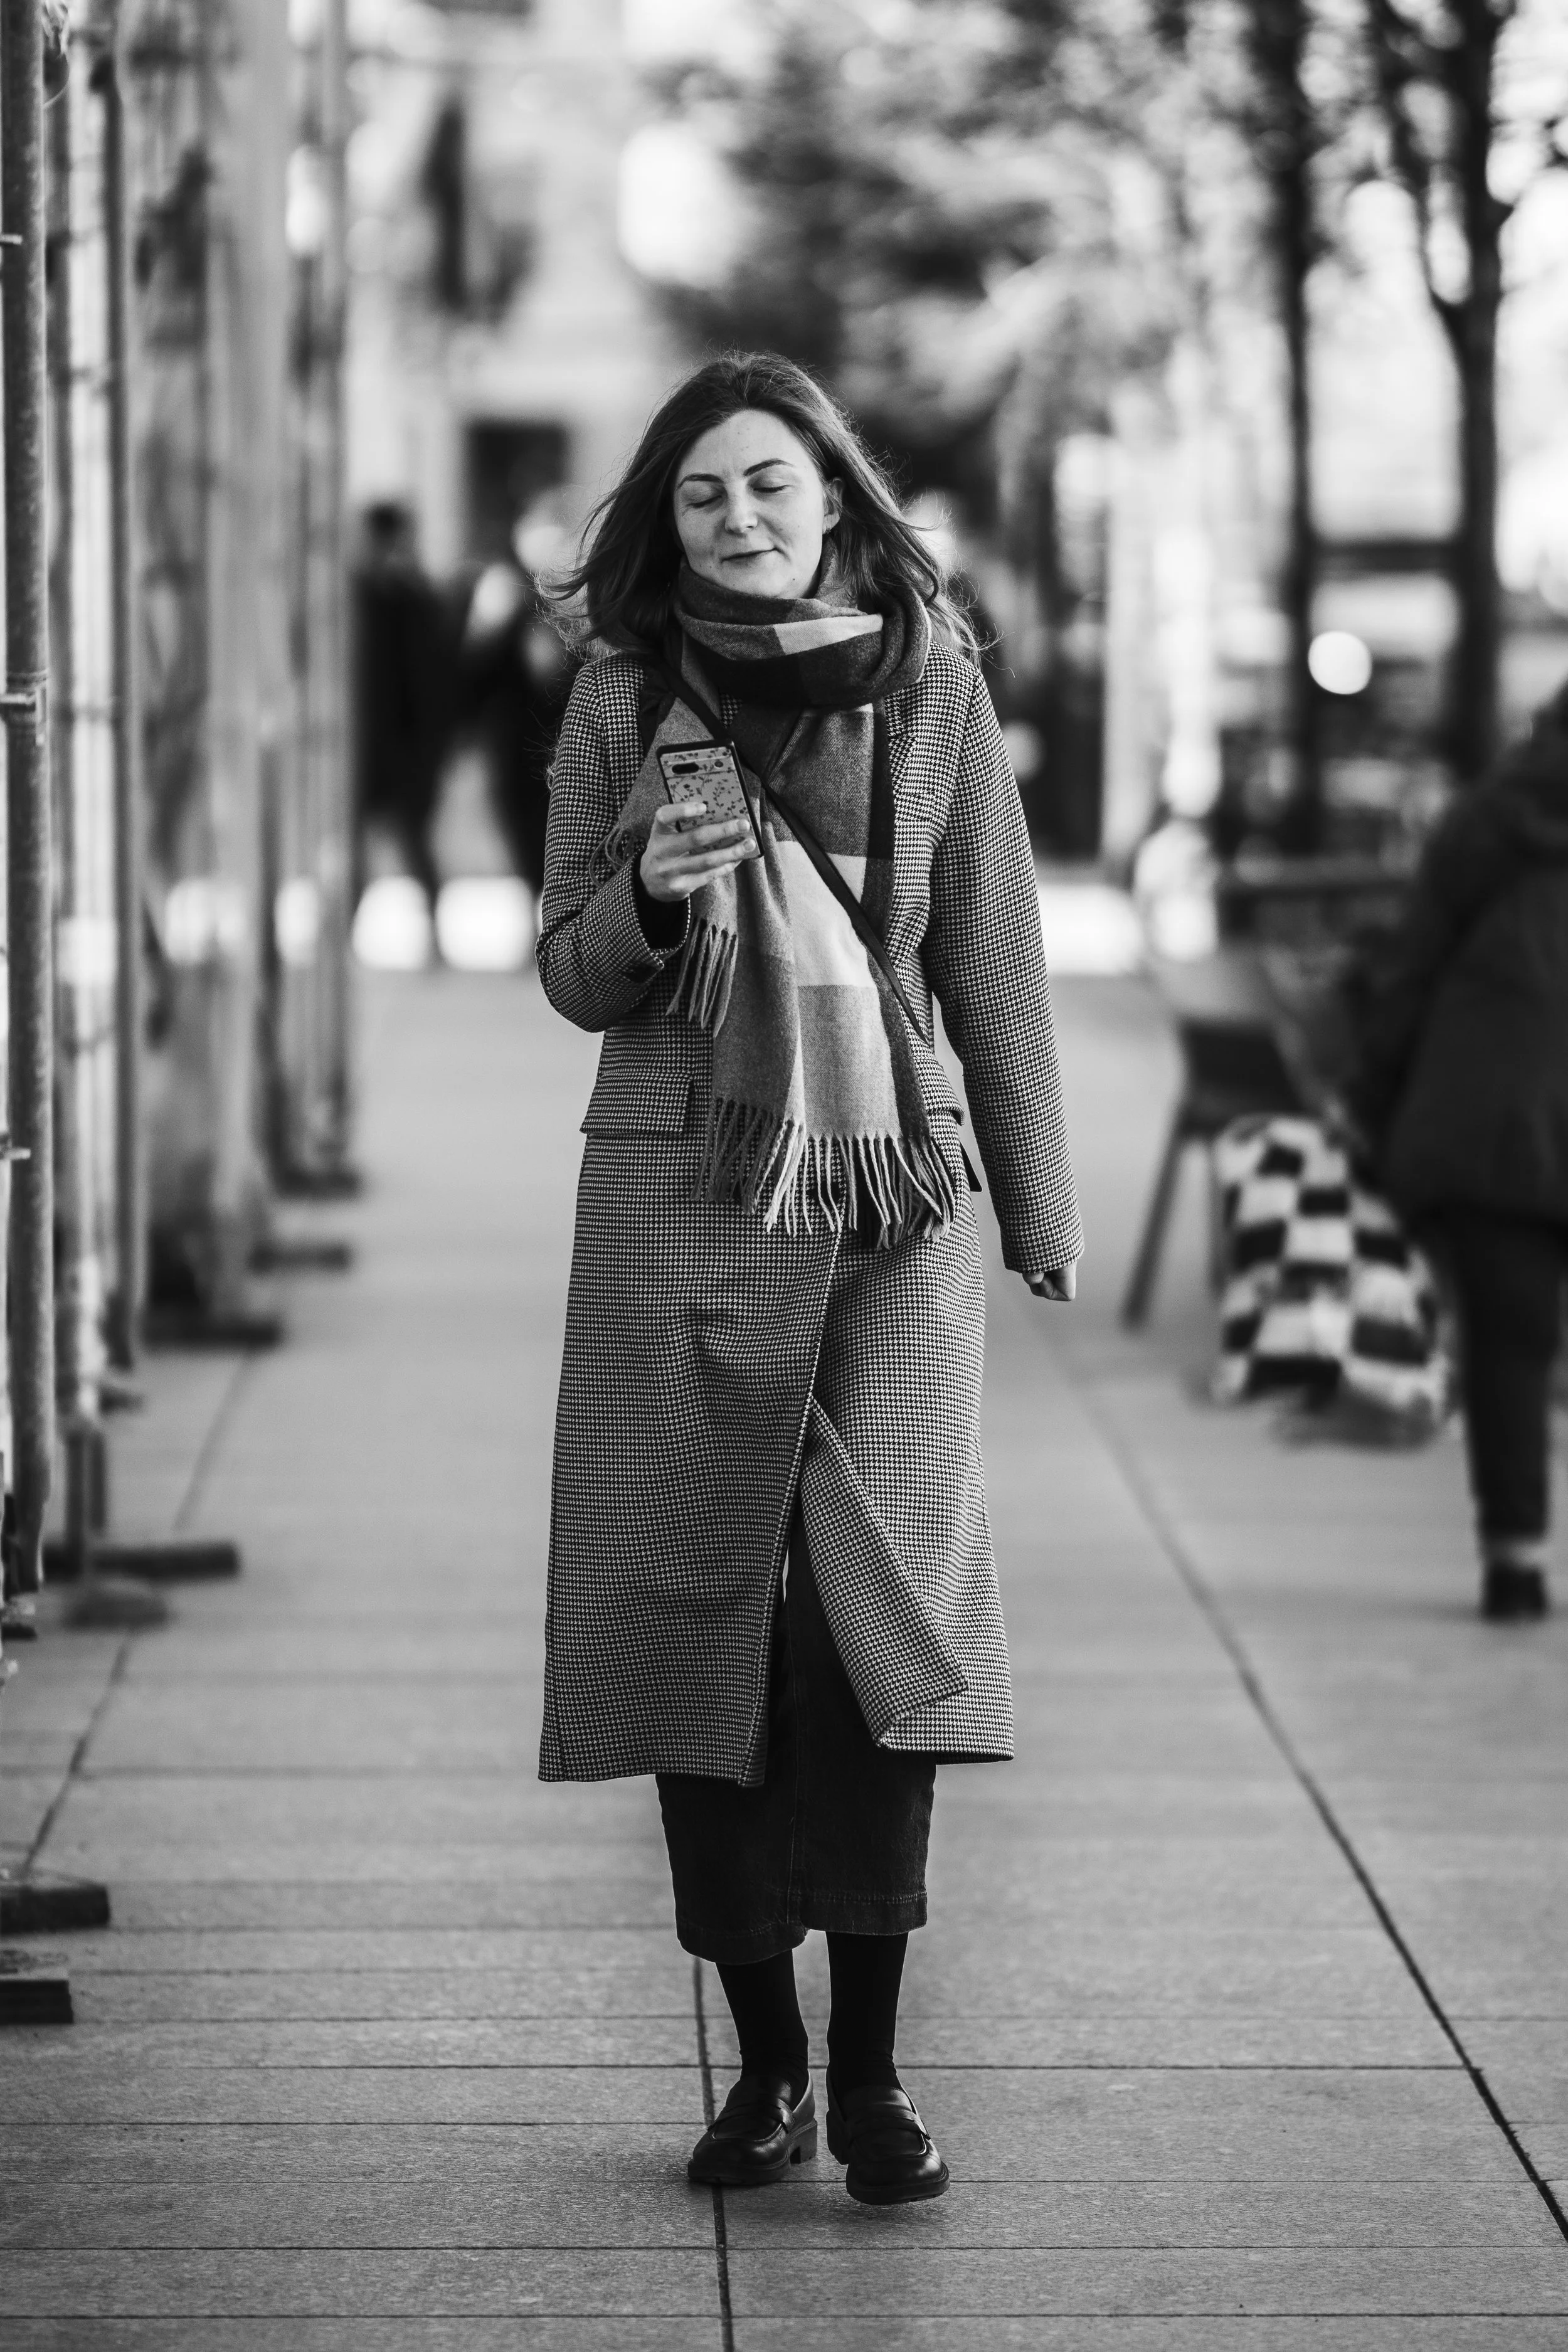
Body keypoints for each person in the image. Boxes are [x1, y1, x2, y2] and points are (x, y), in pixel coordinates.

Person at [536, 353, 1082, 2205]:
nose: (738, 516)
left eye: (768, 483)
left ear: (832, 496)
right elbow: (571, 966)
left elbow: (988, 946)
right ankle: (765, 2060)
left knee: (868, 1634)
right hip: (682, 1192)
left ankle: (870, 2074)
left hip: (886, 1207)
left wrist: (1036, 1195)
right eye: (701, 493)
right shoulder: (624, 691)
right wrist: (653, 891)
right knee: (706, 1621)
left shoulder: (930, 679)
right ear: (667, 519)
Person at [1348, 677, 1568, 1621]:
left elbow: (1412, 973)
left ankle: (1515, 1563)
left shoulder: (1487, 818)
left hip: (1490, 1111)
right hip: (1502, 1106)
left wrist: (1372, 1100)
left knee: (1510, 1340)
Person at [350, 502, 453, 914]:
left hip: (406, 746)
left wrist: (433, 749)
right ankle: (349, 928)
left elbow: (437, 682)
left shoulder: (416, 598)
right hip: (365, 742)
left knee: (415, 840)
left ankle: (434, 928)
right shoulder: (357, 596)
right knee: (355, 845)